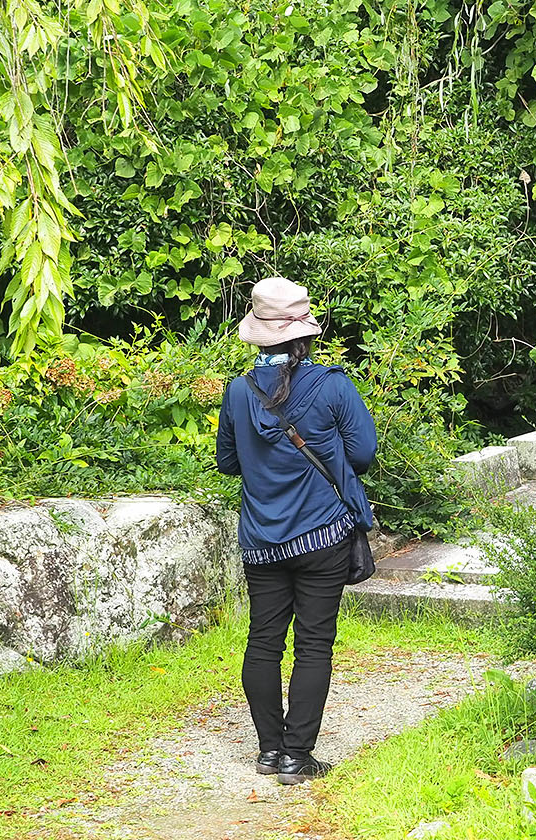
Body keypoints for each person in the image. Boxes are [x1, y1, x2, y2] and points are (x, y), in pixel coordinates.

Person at [215, 277, 377, 785]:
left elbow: (227, 463)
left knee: (263, 641)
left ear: (260, 335)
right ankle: (296, 756)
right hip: (323, 535)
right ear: (303, 333)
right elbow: (364, 455)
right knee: (314, 645)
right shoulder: (332, 385)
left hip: (261, 539)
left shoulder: (239, 392)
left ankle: (268, 751)